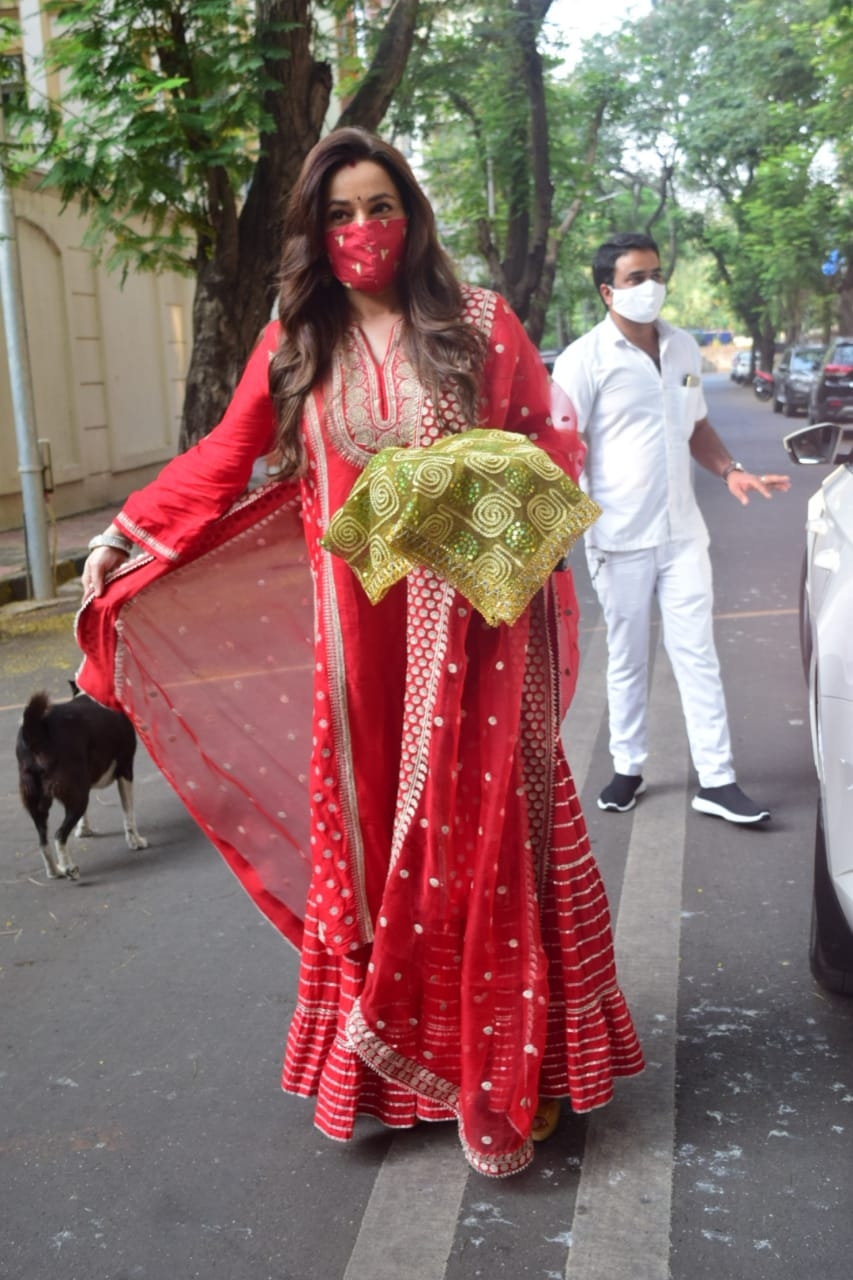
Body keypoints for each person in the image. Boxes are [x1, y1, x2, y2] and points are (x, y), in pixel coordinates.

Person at [77, 129, 643, 1179]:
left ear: (411, 215)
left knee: (486, 839)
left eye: (380, 207)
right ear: (314, 231)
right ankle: (404, 1067)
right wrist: (128, 529)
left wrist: (479, 480)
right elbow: (224, 454)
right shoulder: (297, 342)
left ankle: (513, 1063)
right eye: (339, 215)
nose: (362, 231)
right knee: (386, 834)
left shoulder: (475, 324)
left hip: (473, 638)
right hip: (359, 657)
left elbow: (547, 441)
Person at [551, 231, 791, 825]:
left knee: (697, 655)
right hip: (619, 537)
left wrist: (731, 471)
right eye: (637, 279)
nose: (651, 287)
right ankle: (628, 767)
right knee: (627, 657)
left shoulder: (683, 348)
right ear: (609, 291)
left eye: (656, 274)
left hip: (683, 534)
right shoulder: (586, 358)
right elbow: (560, 444)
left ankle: (718, 779)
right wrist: (551, 536)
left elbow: (697, 428)